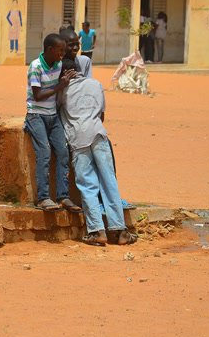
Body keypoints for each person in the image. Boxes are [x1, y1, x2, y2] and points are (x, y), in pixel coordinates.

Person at [58, 58, 136, 246]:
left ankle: (96, 231)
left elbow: (57, 111)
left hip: (78, 138)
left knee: (87, 185)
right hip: (99, 134)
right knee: (109, 180)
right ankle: (120, 230)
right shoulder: (95, 84)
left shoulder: (61, 90)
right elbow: (102, 114)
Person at [24, 33, 80, 212]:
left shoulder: (59, 64)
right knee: (44, 152)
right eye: (60, 51)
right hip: (36, 114)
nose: (63, 54)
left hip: (52, 115)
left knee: (63, 151)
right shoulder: (36, 66)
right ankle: (43, 198)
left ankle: (63, 196)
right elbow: (38, 95)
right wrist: (60, 86)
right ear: (49, 49)